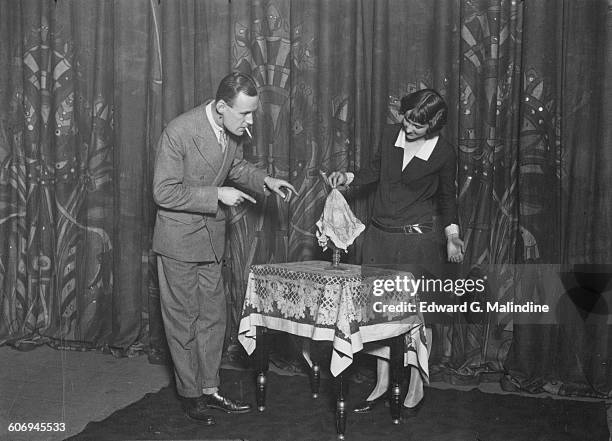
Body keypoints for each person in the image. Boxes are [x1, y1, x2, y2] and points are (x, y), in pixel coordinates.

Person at [152, 72, 297, 425]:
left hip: (210, 239)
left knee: (214, 318)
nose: (250, 122)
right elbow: (164, 192)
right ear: (220, 108)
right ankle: (190, 395)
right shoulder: (179, 132)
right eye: (245, 114)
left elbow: (234, 166)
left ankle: (209, 388)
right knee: (183, 320)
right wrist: (216, 194)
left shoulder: (230, 132)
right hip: (178, 242)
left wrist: (265, 180)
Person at [328, 88, 464, 416]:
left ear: (434, 124)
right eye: (406, 119)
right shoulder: (392, 134)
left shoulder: (444, 152)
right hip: (380, 238)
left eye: (418, 125)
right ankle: (382, 382)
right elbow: (375, 171)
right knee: (378, 313)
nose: (409, 127)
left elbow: (447, 197)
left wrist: (452, 236)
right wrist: (347, 177)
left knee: (418, 316)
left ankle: (416, 384)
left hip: (417, 244)